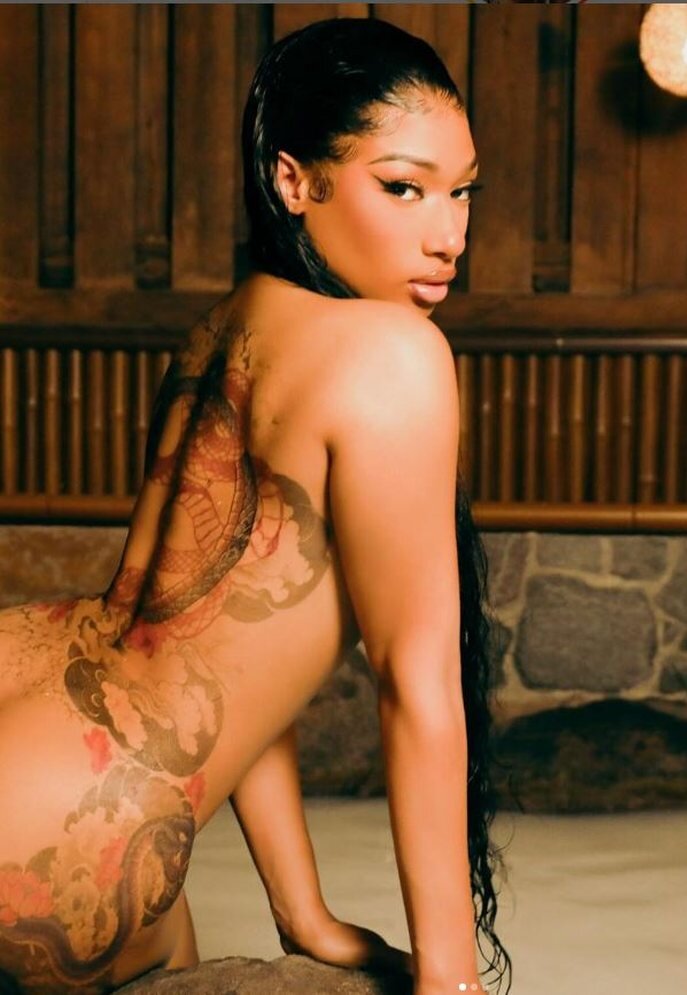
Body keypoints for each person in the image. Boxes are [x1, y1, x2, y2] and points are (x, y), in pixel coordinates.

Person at [0, 16, 512, 995]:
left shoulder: (225, 323)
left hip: (53, 726)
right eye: (403, 187)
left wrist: (303, 913)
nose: (447, 234)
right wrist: (452, 981)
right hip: (86, 821)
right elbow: (416, 687)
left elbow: (219, 658)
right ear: (294, 181)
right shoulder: (396, 354)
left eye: (462, 192)